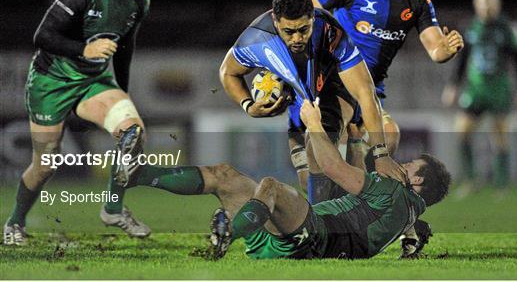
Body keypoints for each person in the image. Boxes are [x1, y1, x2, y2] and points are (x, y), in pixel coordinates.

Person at [4, 0, 200, 245]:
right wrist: (85, 50)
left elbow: (126, 48)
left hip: (93, 81)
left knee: (132, 132)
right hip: (51, 81)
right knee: (45, 164)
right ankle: (14, 223)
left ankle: (112, 209)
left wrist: (123, 92)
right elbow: (42, 36)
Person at [138, 99, 449, 260]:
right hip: (304, 232)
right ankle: (139, 174)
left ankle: (226, 235)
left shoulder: (391, 188)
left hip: (314, 236)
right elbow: (339, 175)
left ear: (417, 182)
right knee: (226, 175)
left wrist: (313, 122)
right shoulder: (408, 206)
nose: (401, 163)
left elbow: (329, 166)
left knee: (271, 186)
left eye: (409, 165)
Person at [220, 0, 408, 205]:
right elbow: (228, 72)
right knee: (308, 181)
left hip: (334, 87)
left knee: (317, 145)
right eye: (289, 31)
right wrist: (248, 105)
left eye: (304, 29)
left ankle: (323, 226)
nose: (297, 38)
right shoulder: (256, 40)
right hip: (300, 101)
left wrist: (381, 155)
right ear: (275, 20)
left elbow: (365, 91)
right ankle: (349, 199)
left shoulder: (329, 30)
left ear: (313, 17)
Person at [309, 0, 464, 159]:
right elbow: (309, 4)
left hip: (372, 90)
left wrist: (448, 50)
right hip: (338, 79)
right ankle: (324, 188)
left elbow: (436, 50)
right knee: (334, 135)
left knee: (389, 136)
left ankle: (358, 193)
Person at [442, 0, 517, 196]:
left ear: (497, 3)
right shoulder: (469, 27)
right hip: (475, 89)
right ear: (475, 3)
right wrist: (453, 85)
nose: (486, 5)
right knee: (462, 131)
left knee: (499, 135)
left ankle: (501, 184)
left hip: (499, 88)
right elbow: (462, 59)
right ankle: (471, 180)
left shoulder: (509, 27)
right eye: (482, 1)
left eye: (490, 1)